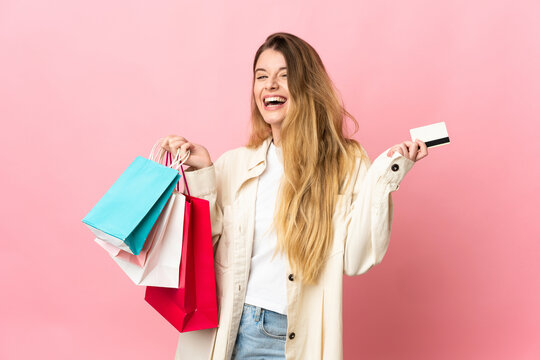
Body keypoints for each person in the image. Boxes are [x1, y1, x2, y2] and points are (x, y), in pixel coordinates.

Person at [161, 32, 428, 360]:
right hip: (230, 329)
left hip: (291, 337)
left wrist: (386, 176)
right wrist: (203, 173)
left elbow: (357, 259)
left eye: (284, 76)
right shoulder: (233, 164)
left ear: (307, 86)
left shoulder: (345, 164)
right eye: (262, 76)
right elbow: (205, 249)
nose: (270, 85)